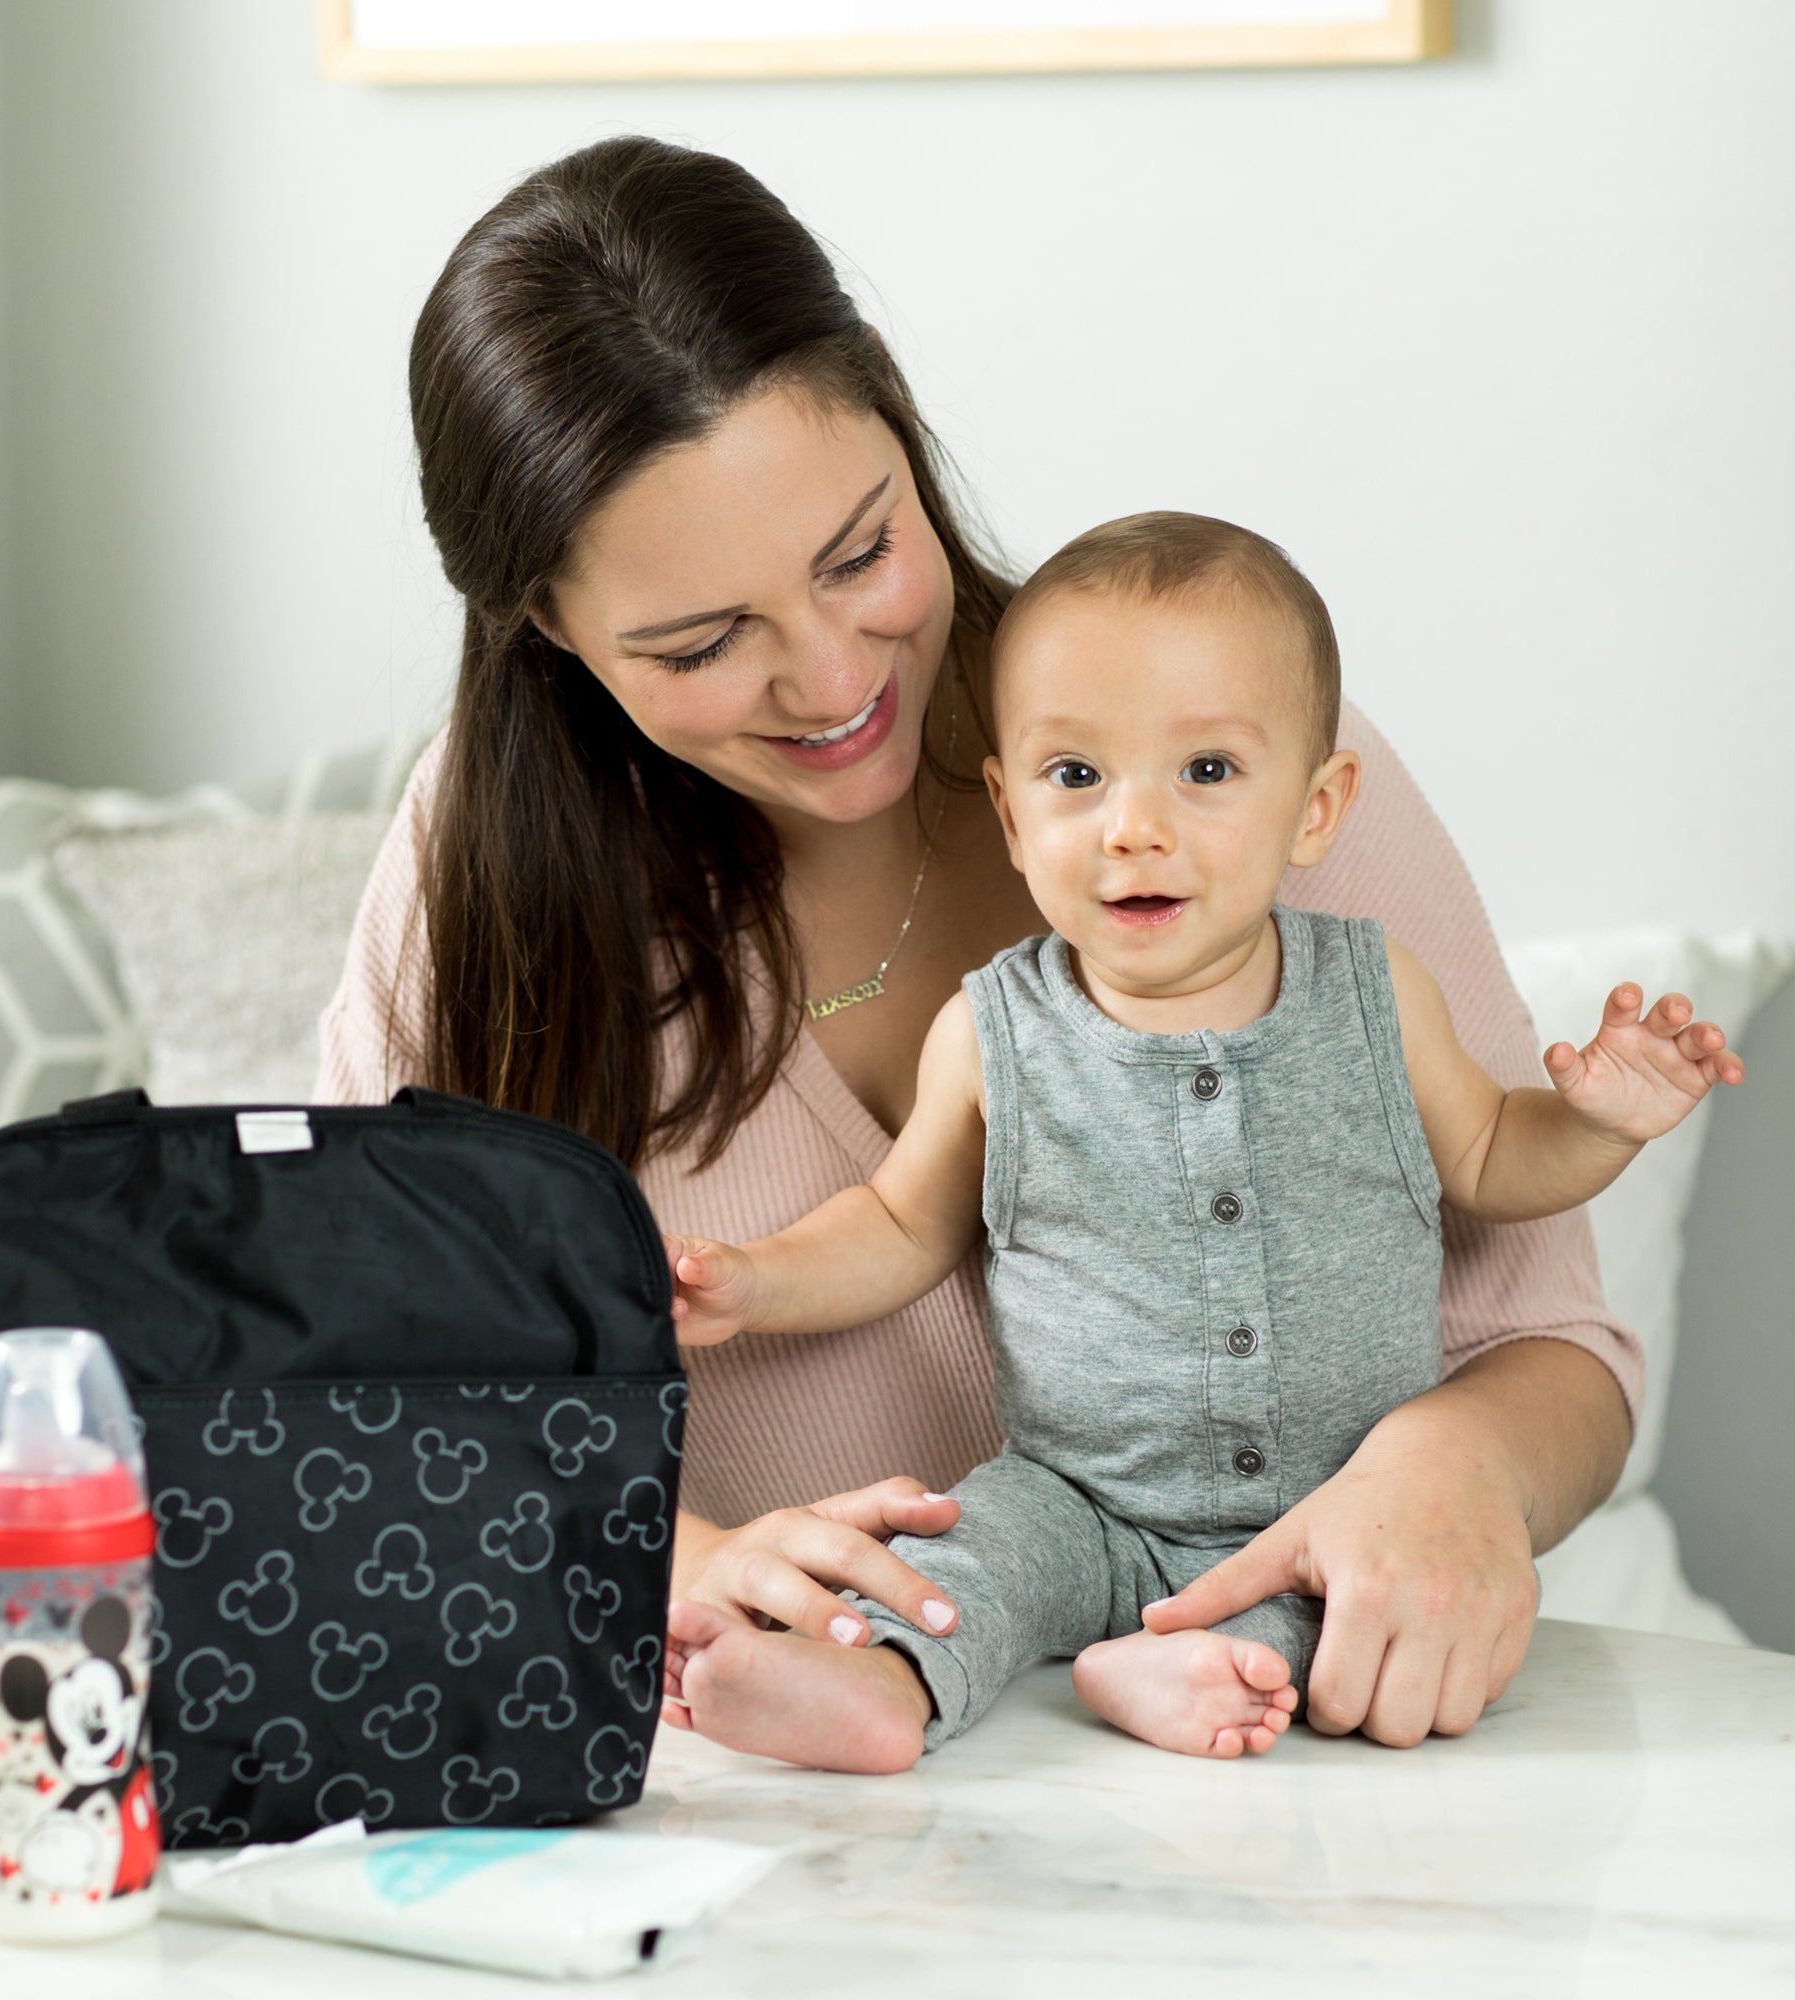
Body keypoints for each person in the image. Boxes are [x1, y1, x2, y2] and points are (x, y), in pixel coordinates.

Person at [314, 134, 1648, 1752]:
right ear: (548, 629)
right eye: (705, 642)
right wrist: (686, 1563)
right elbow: (380, 1400)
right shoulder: (486, 873)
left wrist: (1461, 1467)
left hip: (1277, 1781)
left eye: (859, 552)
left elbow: (1545, 1343)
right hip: (787, 1828)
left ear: (890, 404)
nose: (828, 678)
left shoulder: (1238, 765)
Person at [659, 512, 1744, 1768]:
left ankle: (1163, 1670)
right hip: (1072, 1491)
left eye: (1207, 772)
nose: (1133, 826)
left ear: (1316, 806)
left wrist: (1600, 1119)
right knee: (956, 1564)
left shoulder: (1374, 993)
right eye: (1077, 777)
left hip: (1330, 1502)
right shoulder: (993, 1030)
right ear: (1010, 815)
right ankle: (878, 1687)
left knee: (1355, 1617)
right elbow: (898, 1225)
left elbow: (1498, 1157)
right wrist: (757, 1279)